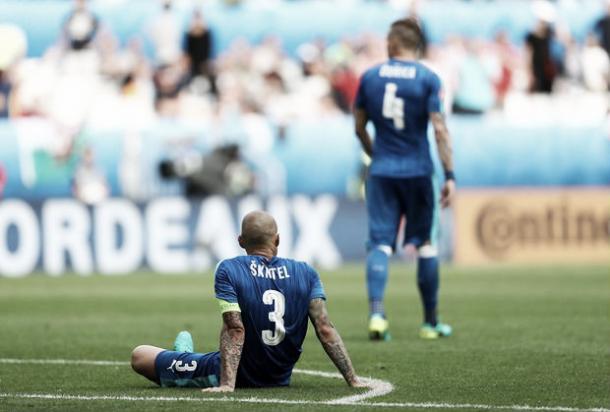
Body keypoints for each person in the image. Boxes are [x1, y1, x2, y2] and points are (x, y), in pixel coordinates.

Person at [131, 211, 364, 391]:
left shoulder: (229, 269)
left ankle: (183, 356)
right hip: (278, 378)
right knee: (200, 359)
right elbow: (325, 328)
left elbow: (235, 328)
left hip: (230, 372)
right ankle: (184, 356)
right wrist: (352, 379)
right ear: (278, 239)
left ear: (241, 241)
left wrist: (227, 384)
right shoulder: (307, 272)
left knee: (140, 355)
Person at [353, 18, 455, 341]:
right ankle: (430, 322)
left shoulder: (369, 77)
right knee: (425, 244)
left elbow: (359, 127)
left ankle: (377, 315)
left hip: (382, 171)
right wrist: (449, 174)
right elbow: (438, 128)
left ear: (394, 44)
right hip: (418, 170)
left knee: (380, 243)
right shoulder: (428, 78)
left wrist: (376, 154)